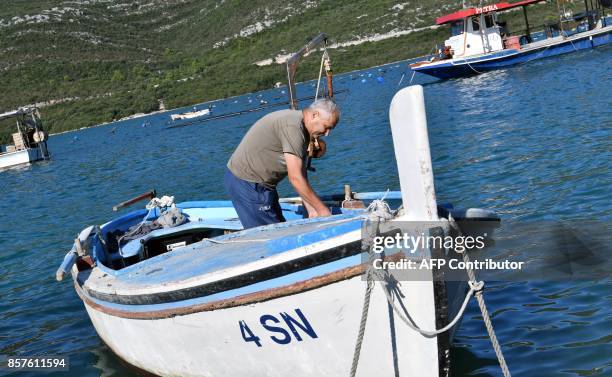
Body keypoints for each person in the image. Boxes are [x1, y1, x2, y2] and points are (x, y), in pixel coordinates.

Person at [224, 98, 340, 229]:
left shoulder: (302, 129)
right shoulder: (293, 128)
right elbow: (295, 178)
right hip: (247, 183)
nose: (327, 133)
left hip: (265, 186)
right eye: (326, 127)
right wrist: (323, 211)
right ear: (315, 115)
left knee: (279, 228)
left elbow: (301, 173)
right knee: (269, 236)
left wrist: (312, 209)